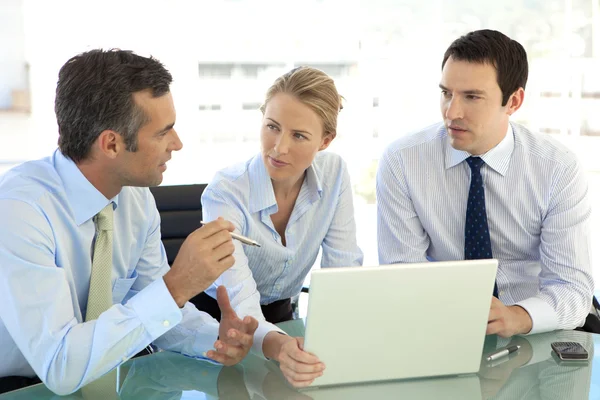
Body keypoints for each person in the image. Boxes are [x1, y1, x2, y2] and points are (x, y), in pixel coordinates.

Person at [0, 49, 258, 395]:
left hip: (107, 375)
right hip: (21, 386)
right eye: (163, 132)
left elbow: (153, 306)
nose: (177, 144)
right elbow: (60, 365)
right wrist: (177, 284)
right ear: (111, 144)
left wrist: (213, 339)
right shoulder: (20, 210)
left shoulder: (134, 198)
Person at [376, 29, 594, 337]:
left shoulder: (557, 168)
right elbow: (402, 277)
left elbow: (573, 290)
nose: (452, 112)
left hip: (531, 330)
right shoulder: (403, 161)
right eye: (446, 93)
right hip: (437, 327)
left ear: (514, 101)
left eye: (472, 97)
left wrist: (517, 317)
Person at [199, 66, 364, 387]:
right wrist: (280, 346)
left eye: (299, 135)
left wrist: (336, 338)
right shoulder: (226, 190)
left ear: (325, 140)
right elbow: (240, 301)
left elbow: (342, 270)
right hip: (217, 324)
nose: (279, 147)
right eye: (272, 127)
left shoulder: (334, 174)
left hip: (285, 320)